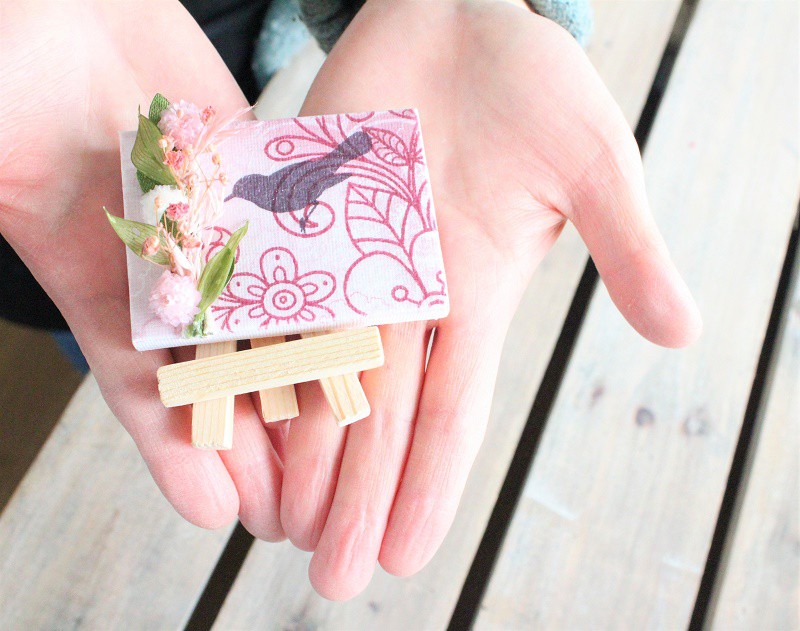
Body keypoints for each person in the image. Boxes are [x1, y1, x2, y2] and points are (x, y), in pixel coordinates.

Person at [0, 0, 701, 601]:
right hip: (68, 177)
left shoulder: (285, 190)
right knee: (123, 332)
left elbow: (308, 189)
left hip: (241, 47)